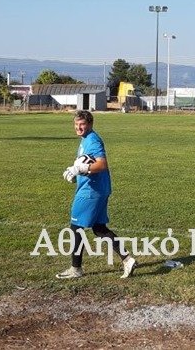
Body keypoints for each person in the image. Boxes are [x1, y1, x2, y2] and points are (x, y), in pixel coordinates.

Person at [56, 110, 136, 280]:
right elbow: (88, 163)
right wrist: (78, 173)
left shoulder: (93, 140)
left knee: (76, 227)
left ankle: (76, 268)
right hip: (97, 189)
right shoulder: (86, 139)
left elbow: (102, 165)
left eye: (82, 124)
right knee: (99, 228)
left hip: (91, 192)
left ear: (90, 125)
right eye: (76, 124)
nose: (79, 127)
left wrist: (80, 169)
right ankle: (128, 260)